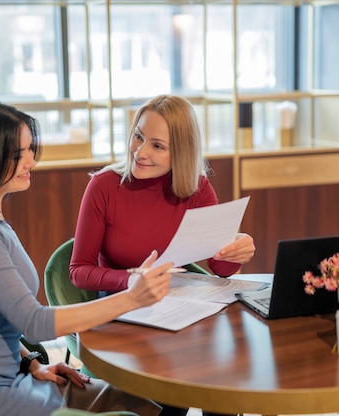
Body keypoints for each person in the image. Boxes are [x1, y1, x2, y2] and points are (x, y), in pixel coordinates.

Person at [0, 100, 178, 416]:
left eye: (30, 150)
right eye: (18, 155)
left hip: (8, 379)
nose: (32, 162)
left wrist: (30, 362)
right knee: (131, 410)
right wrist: (133, 298)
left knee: (141, 405)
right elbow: (34, 322)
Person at [69, 94, 256, 416]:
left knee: (224, 380)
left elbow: (219, 267)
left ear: (180, 152)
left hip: (178, 303)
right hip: (122, 305)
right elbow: (79, 270)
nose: (140, 152)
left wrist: (237, 251)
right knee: (172, 385)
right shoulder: (104, 186)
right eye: (138, 136)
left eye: (157, 146)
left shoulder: (196, 189)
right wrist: (131, 279)